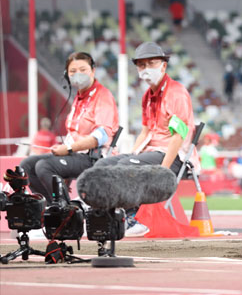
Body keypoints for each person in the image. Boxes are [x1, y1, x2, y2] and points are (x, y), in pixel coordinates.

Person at [93, 41, 198, 237]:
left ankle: (134, 219)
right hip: (150, 151)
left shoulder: (176, 93)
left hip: (174, 157)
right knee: (104, 164)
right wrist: (133, 154)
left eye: (151, 63)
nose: (146, 69)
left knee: (125, 166)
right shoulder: (147, 96)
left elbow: (178, 136)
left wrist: (162, 172)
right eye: (142, 65)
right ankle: (109, 217)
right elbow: (145, 131)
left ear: (163, 66)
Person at [20, 52, 119, 200]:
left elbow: (101, 136)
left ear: (93, 71)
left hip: (94, 157)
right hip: (74, 154)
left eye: (83, 70)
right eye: (73, 71)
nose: (77, 74)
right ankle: (51, 206)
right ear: (67, 75)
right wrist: (64, 149)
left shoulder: (102, 96)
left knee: (44, 166)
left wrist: (68, 149)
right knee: (27, 165)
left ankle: (65, 212)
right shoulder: (78, 98)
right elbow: (72, 134)